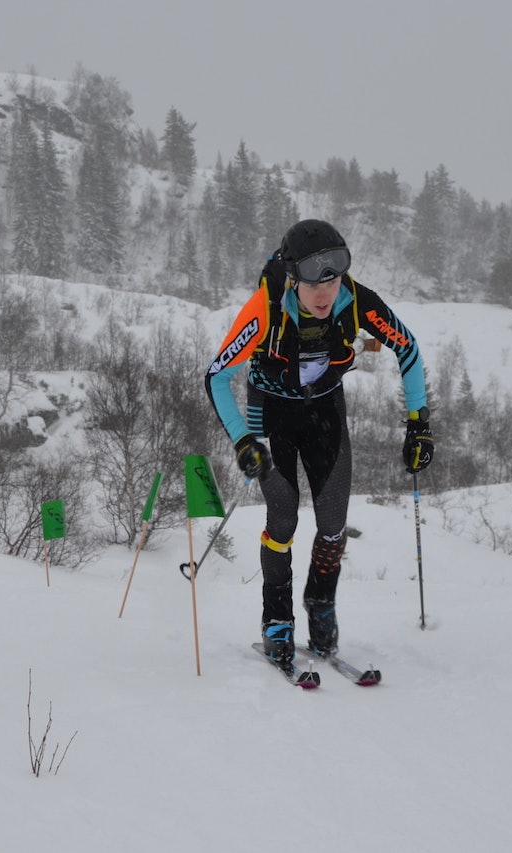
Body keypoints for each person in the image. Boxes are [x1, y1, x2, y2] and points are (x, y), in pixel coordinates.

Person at [204, 219, 434, 663]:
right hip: (269, 413)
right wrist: (242, 441)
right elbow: (216, 377)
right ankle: (277, 619)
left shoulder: (357, 302)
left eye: (334, 277)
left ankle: (321, 603)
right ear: (293, 278)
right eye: (313, 283)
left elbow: (408, 349)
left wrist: (417, 423)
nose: (325, 292)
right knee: (284, 517)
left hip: (325, 410)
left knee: (332, 523)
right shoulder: (264, 309)